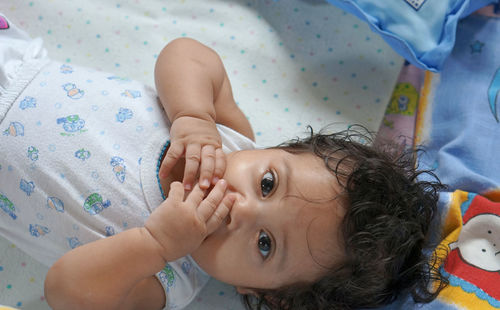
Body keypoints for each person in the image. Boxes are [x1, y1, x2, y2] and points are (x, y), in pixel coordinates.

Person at [0, 14, 446, 310]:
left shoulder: (168, 278)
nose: (241, 207)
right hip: (14, 63)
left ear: (260, 294)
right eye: (267, 183)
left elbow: (66, 291)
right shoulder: (228, 137)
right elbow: (187, 53)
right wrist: (193, 116)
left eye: (265, 244)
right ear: (277, 150)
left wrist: (156, 243)